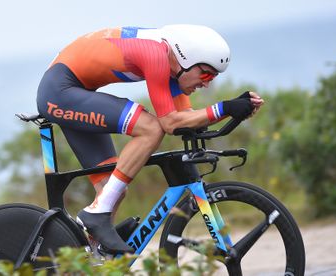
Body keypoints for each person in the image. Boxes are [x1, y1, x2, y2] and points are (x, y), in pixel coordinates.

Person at [37, 24, 264, 254]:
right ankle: (96, 213)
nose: (207, 83)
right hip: (59, 92)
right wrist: (224, 107)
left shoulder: (173, 64)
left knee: (111, 189)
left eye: (213, 77)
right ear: (187, 59)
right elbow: (169, 124)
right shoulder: (156, 55)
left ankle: (93, 257)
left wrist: (233, 109)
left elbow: (185, 118)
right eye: (206, 74)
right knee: (151, 129)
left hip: (73, 92)